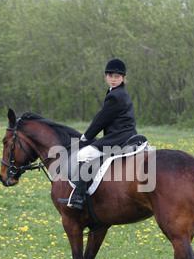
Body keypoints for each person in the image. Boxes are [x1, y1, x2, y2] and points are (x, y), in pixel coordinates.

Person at [58, 58, 137, 210]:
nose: (113, 79)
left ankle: (79, 197)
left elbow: (101, 119)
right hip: (125, 133)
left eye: (117, 76)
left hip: (119, 136)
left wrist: (86, 136)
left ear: (124, 78)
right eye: (110, 76)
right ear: (106, 76)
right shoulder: (117, 92)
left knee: (83, 155)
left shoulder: (116, 96)